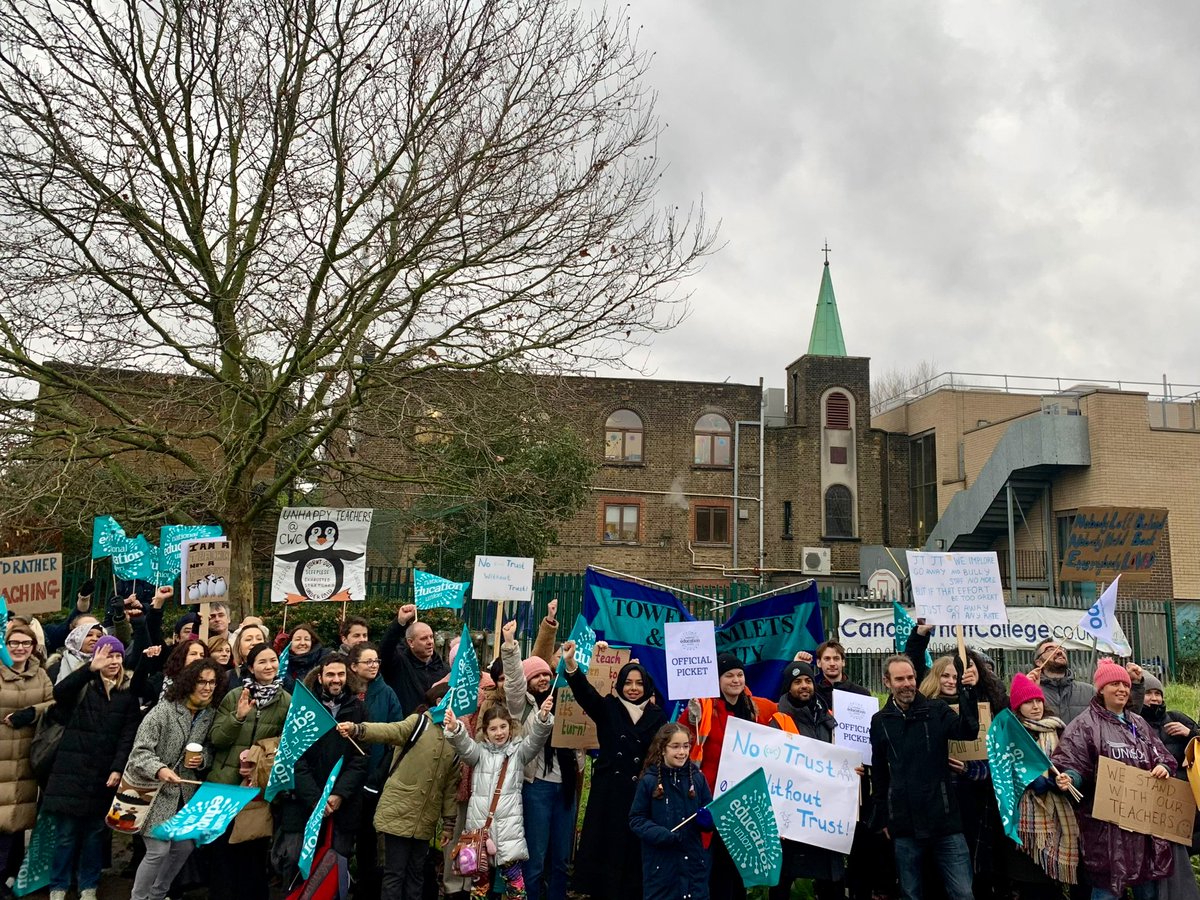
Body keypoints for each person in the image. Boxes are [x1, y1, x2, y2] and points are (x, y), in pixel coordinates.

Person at [1053, 660, 1177, 900]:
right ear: (1100, 689)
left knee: (1147, 890)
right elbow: (1073, 763)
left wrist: (1163, 766)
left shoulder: (1138, 724)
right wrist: (1071, 778)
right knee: (1106, 890)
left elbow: (1163, 755)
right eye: (1114, 684)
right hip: (1106, 830)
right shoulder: (1084, 725)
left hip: (1143, 828)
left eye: (1125, 684)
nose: (1121, 689)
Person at [869, 653, 980, 900]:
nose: (907, 683)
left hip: (945, 820)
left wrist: (968, 693)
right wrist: (884, 817)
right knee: (911, 893)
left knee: (963, 893)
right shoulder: (880, 721)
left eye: (910, 677)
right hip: (904, 825)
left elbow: (968, 731)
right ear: (887, 682)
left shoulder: (936, 709)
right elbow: (879, 773)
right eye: (900, 679)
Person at [563, 641, 667, 900]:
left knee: (633, 858)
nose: (633, 688)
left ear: (647, 686)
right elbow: (585, 693)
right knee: (606, 855)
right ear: (620, 684)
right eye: (628, 683)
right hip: (608, 794)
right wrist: (571, 664)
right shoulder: (609, 706)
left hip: (640, 796)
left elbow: (662, 754)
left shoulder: (658, 716)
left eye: (639, 683)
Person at [339, 683, 462, 900]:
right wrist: (359, 729)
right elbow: (390, 730)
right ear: (439, 702)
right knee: (395, 872)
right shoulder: (419, 723)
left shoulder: (456, 739)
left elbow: (450, 787)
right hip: (399, 810)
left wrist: (449, 824)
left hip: (426, 818)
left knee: (416, 873)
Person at [42, 637, 140, 900]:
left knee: (95, 835)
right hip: (71, 773)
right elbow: (59, 693)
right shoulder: (84, 685)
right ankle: (59, 885)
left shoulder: (127, 695)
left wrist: (118, 768)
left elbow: (127, 736)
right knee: (66, 835)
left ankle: (89, 885)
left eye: (118, 656)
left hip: (102, 775)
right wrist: (89, 669)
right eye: (108, 656)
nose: (114, 662)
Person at [681, 653, 777, 900]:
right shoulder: (703, 707)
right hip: (712, 798)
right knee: (716, 868)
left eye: (739, 675)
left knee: (738, 865)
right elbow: (681, 739)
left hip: (743, 801)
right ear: (717, 679)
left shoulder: (757, 708)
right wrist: (691, 718)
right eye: (729, 675)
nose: (736, 680)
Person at [917, 651, 1009, 900]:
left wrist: (970, 770)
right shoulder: (921, 709)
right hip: (934, 803)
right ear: (935, 677)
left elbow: (995, 760)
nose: (950, 681)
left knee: (973, 871)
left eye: (955, 676)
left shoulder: (980, 707)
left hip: (973, 802)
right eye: (944, 675)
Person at [125, 658, 220, 900]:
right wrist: (160, 770)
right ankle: (138, 897)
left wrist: (203, 760)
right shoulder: (163, 710)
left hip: (182, 794)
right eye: (201, 681)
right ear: (189, 683)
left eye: (212, 682)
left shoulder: (209, 714)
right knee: (158, 849)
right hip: (151, 790)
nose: (207, 687)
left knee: (184, 847)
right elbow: (140, 752)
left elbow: (208, 748)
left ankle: (158, 894)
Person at [443, 696, 554, 900]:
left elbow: (536, 740)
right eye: (493, 729)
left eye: (503, 727)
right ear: (485, 733)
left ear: (510, 729)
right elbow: (464, 745)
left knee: (516, 890)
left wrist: (543, 718)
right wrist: (455, 728)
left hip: (509, 834)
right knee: (479, 890)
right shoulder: (478, 754)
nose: (499, 733)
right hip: (479, 835)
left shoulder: (519, 753)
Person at [500, 621, 577, 900]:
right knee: (535, 857)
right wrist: (510, 645)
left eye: (547, 675)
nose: (544, 679)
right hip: (537, 787)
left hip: (566, 787)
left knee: (560, 859)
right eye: (537, 676)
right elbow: (513, 680)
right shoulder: (522, 706)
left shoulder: (566, 703)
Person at [207, 643, 290, 900]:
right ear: (251, 667)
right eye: (262, 662)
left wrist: (261, 757)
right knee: (221, 851)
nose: (269, 666)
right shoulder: (234, 696)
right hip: (224, 784)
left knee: (253, 852)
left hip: (256, 790)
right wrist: (239, 718)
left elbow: (287, 746)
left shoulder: (286, 701)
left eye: (273, 661)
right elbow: (217, 738)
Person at [277, 654, 368, 884]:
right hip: (304, 802)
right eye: (330, 674)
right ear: (320, 677)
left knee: (335, 865)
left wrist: (338, 794)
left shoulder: (359, 710)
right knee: (294, 860)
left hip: (342, 805)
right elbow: (296, 757)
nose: (336, 679)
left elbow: (360, 759)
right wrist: (317, 799)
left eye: (340, 674)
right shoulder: (304, 709)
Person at [768, 662, 845, 900]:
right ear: (788, 687)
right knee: (783, 880)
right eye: (797, 682)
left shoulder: (828, 716)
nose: (804, 686)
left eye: (808, 681)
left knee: (831, 880)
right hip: (793, 813)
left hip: (825, 812)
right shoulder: (778, 720)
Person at [1002, 673, 1079, 900]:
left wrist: (1065, 779)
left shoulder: (1057, 730)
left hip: (1057, 814)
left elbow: (1070, 762)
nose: (1035, 706)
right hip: (1025, 821)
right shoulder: (1011, 732)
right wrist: (1034, 780)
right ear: (1017, 706)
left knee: (1051, 885)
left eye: (1038, 701)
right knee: (1032, 885)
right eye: (1028, 702)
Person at [628, 723, 713, 900]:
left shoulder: (697, 778)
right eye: (675, 746)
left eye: (685, 746)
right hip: (661, 867)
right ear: (663, 749)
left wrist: (708, 820)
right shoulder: (649, 781)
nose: (681, 752)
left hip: (694, 866)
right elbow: (636, 819)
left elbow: (711, 810)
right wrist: (659, 834)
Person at [348, 641, 404, 897]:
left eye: (376, 661)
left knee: (369, 841)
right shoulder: (346, 692)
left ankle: (367, 888)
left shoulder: (387, 693)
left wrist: (377, 778)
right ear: (353, 666)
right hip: (346, 777)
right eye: (368, 662)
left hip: (374, 778)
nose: (373, 666)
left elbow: (396, 739)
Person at [0, 623, 54, 880]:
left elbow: (55, 704)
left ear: (33, 647)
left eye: (25, 643)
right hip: (1, 756)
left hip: (27, 756)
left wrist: (31, 713)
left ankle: (11, 876)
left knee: (19, 820)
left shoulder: (40, 675)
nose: (20, 648)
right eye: (14, 643)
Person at [1139, 673, 1200, 900]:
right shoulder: (1135, 723)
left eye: (1158, 693)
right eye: (1148, 693)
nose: (1154, 699)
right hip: (1152, 809)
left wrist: (1191, 734)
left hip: (1188, 808)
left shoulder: (1176, 718)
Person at [1028, 638, 1145, 722]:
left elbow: (1123, 717)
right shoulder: (1032, 693)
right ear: (1038, 662)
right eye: (1050, 650)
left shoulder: (1089, 691)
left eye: (1061, 648)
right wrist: (1026, 689)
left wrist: (1135, 685)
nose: (1059, 651)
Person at [381, 604, 448, 714]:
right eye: (424, 638)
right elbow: (385, 649)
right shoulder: (399, 665)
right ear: (410, 642)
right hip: (405, 726)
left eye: (431, 637)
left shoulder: (444, 670)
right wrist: (399, 623)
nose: (430, 642)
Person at [132, 638, 209, 709]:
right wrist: (145, 658)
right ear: (182, 657)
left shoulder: (208, 683)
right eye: (193, 654)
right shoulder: (162, 679)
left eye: (202, 655)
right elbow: (137, 689)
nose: (198, 658)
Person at [223, 623, 270, 696]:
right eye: (248, 639)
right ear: (239, 647)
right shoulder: (228, 676)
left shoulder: (276, 673)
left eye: (259, 639)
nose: (254, 643)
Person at [279, 623, 324, 693]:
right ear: (290, 644)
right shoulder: (282, 664)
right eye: (298, 639)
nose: (302, 643)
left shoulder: (322, 661)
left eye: (306, 639)